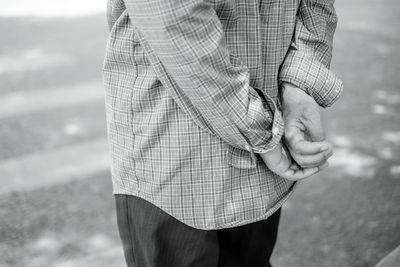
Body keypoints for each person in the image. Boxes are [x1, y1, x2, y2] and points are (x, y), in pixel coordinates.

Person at [102, 0, 343, 266]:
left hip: (261, 163)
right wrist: (264, 132)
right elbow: (175, 23)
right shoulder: (264, 133)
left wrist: (298, 85)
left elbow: (316, 5)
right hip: (174, 157)